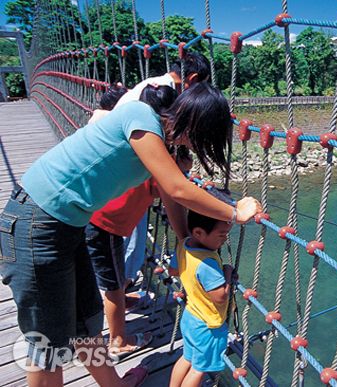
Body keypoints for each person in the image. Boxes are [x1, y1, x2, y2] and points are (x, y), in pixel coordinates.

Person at [0, 82, 261, 387]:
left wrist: (185, 246)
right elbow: (178, 187)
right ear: (193, 121)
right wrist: (234, 213)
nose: (194, 145)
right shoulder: (141, 117)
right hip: (37, 223)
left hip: (68, 226)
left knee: (86, 326)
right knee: (48, 346)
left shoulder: (163, 145)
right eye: (200, 137)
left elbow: (170, 196)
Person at [85, 85, 179, 359]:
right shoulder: (151, 151)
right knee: (112, 284)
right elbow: (172, 191)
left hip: (102, 219)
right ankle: (118, 341)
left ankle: (121, 304)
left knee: (114, 277)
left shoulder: (136, 141)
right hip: (105, 225)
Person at [117, 53, 211, 290]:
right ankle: (122, 284)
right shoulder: (161, 96)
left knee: (128, 230)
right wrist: (233, 214)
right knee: (128, 229)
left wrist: (184, 239)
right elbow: (174, 187)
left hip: (127, 169)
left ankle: (121, 284)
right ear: (192, 78)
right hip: (127, 176)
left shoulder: (153, 87)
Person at [167, 192, 236, 387]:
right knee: (199, 369)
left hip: (190, 317)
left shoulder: (185, 244)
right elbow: (221, 296)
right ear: (198, 232)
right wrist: (227, 272)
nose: (224, 240)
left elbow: (173, 270)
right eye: (221, 235)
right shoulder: (207, 263)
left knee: (187, 358)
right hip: (208, 325)